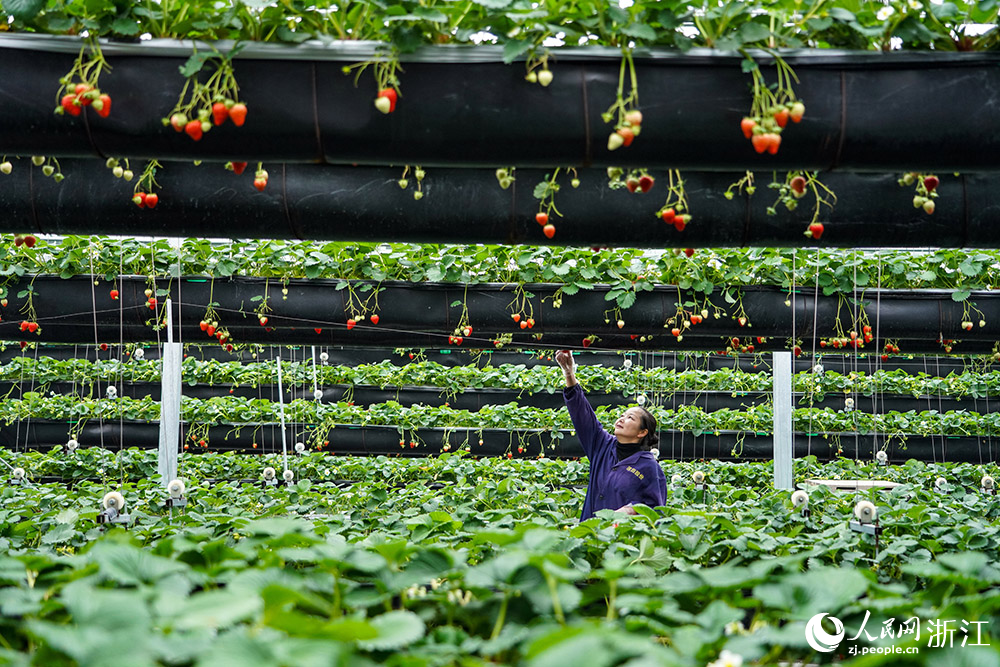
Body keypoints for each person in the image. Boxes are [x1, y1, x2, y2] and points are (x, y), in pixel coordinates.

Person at [555, 349, 667, 521]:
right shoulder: (603, 446)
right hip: (590, 532)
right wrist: (569, 373)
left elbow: (656, 509)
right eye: (622, 415)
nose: (621, 419)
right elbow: (583, 417)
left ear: (642, 432)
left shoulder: (649, 468)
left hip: (622, 536)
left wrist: (631, 510)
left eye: (630, 418)